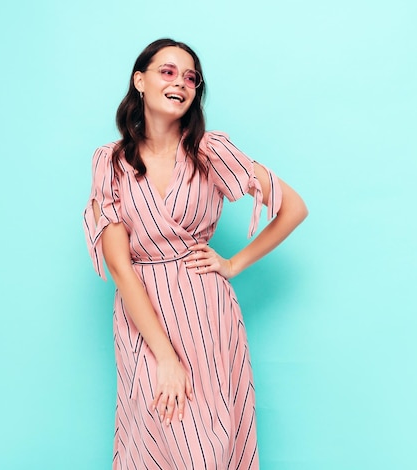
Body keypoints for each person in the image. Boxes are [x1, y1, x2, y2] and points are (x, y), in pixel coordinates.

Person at [83, 38, 308, 469]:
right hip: (142, 317)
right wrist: (165, 357)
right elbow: (119, 266)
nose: (180, 83)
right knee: (153, 434)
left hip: (207, 315)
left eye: (191, 78)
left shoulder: (211, 151)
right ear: (140, 81)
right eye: (167, 72)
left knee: (209, 442)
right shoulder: (109, 162)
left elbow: (293, 208)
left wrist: (233, 263)